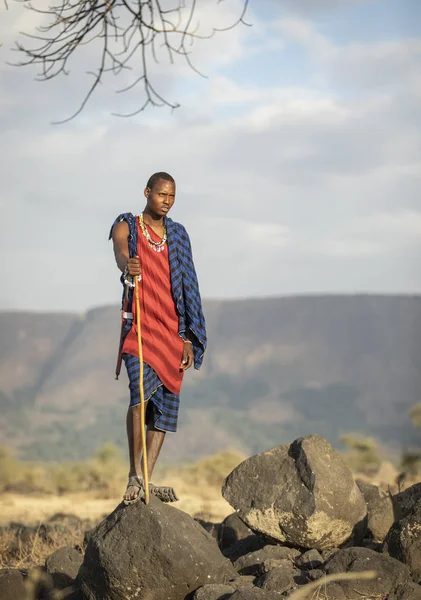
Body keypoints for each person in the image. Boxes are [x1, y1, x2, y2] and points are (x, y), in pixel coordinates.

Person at [109, 172, 206, 504]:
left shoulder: (178, 235)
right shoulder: (129, 224)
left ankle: (146, 479)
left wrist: (189, 339)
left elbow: (188, 284)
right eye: (162, 194)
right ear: (148, 192)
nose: (167, 200)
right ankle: (134, 474)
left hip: (172, 331)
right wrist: (128, 265)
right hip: (140, 327)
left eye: (172, 196)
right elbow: (121, 250)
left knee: (165, 408)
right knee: (138, 394)